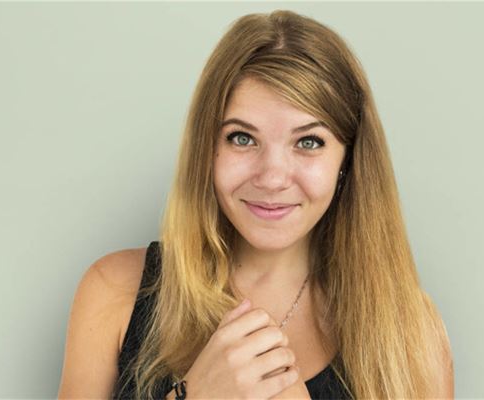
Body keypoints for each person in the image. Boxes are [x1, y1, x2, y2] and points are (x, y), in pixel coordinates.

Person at [57, 9, 454, 400]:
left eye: (308, 142)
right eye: (242, 138)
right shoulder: (114, 291)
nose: (272, 178)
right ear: (207, 148)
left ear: (347, 160)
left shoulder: (411, 332)